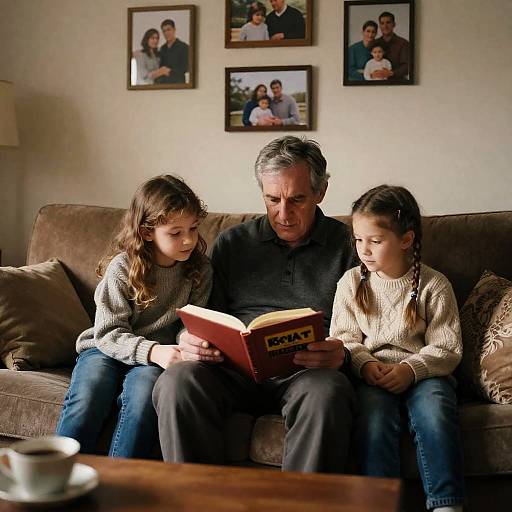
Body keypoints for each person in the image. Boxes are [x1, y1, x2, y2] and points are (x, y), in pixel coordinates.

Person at [153, 136, 356, 473]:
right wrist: (186, 341)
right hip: (231, 370)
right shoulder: (233, 242)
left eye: (297, 200)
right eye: (272, 199)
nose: (283, 213)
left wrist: (343, 352)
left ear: (320, 192)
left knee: (329, 392)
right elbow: (204, 313)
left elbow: (365, 325)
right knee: (177, 382)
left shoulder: (350, 245)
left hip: (306, 372)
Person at [56, 175, 213, 459]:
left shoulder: (201, 270)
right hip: (105, 348)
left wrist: (186, 340)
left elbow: (187, 325)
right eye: (175, 233)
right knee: (88, 396)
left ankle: (122, 486)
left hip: (158, 357)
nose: (189, 239)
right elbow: (107, 333)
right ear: (147, 231)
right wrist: (153, 350)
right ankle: (56, 475)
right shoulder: (122, 268)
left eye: (193, 228)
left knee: (142, 401)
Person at [330, 185, 465, 511]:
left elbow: (448, 347)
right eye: (358, 239)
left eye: (375, 241)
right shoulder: (350, 283)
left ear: (406, 240)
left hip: (425, 374)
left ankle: (447, 504)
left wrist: (411, 369)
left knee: (435, 413)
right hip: (373, 374)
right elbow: (343, 338)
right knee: (373, 421)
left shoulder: (434, 285)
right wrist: (363, 364)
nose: (364, 249)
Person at [373, 11, 410, 80]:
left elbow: (407, 67)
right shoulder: (375, 43)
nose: (385, 26)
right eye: (382, 23)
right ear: (379, 26)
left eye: (388, 22)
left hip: (399, 83)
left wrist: (391, 73)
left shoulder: (403, 43)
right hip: (377, 83)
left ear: (394, 24)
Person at [156, 19, 189, 84]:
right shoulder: (162, 49)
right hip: (163, 84)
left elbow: (186, 67)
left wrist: (170, 71)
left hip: (178, 84)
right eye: (164, 31)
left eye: (168, 30)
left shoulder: (184, 47)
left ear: (174, 30)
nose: (166, 33)